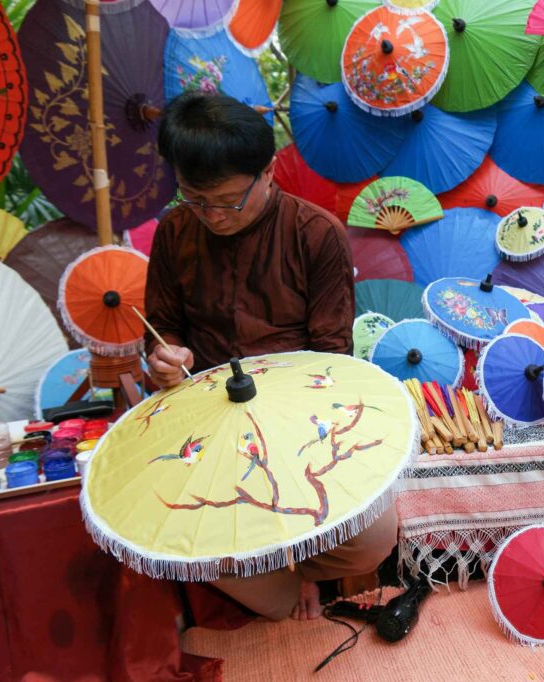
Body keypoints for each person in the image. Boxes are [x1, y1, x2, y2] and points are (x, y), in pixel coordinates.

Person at [144, 92, 395, 621]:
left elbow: (332, 357)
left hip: (299, 424)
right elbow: (161, 326)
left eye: (230, 200)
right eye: (195, 199)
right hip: (207, 427)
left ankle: (296, 563)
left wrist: (296, 549)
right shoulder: (174, 232)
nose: (214, 216)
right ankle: (275, 574)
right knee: (262, 593)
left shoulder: (316, 233)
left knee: (375, 539)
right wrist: (163, 355)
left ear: (268, 171)